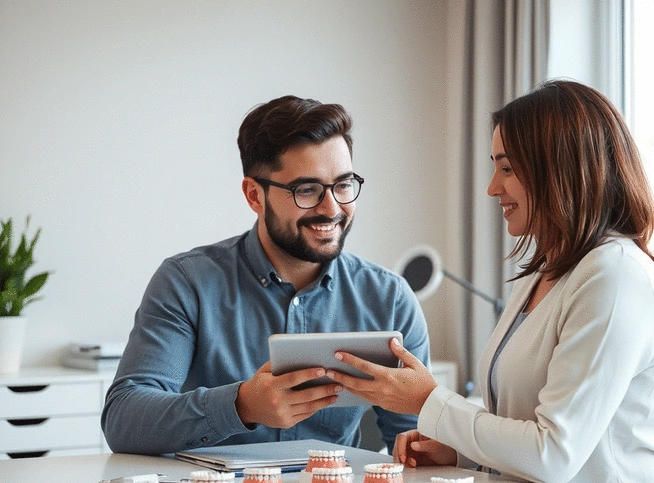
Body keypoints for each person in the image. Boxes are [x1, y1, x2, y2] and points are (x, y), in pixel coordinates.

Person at [330, 79, 654, 483]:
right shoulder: (547, 273)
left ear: (560, 169)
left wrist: (429, 400)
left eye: (507, 168)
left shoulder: (614, 278)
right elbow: (523, 434)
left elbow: (552, 454)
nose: (492, 187)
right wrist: (460, 451)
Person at [101, 96, 429, 456]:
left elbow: (413, 440)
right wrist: (240, 406)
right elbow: (124, 420)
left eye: (344, 184)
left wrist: (439, 438)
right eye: (307, 190)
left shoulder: (388, 298)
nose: (332, 207)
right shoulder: (187, 283)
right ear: (254, 195)